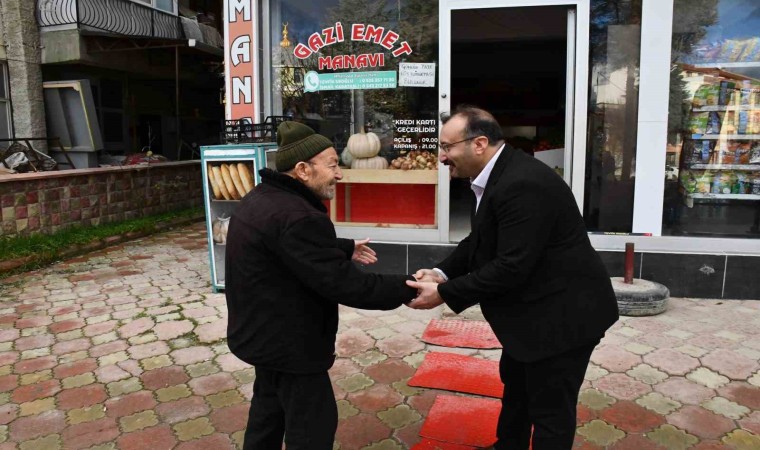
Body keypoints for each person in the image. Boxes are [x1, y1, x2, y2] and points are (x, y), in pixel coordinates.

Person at [407, 105, 619, 450]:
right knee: (518, 391)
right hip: (531, 317)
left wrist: (445, 293)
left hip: (563, 319)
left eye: (447, 147)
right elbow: (480, 239)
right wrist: (441, 272)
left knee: (550, 412)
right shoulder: (495, 175)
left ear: (479, 144)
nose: (442, 157)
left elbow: (511, 266)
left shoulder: (522, 184)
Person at [224, 121, 417, 450]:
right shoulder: (299, 216)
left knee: (268, 413)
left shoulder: (261, 198)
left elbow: (287, 246)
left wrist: (343, 247)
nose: (339, 174)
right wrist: (409, 287)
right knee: (313, 426)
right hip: (291, 345)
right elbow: (347, 284)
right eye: (332, 165)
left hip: (260, 336)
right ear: (302, 170)